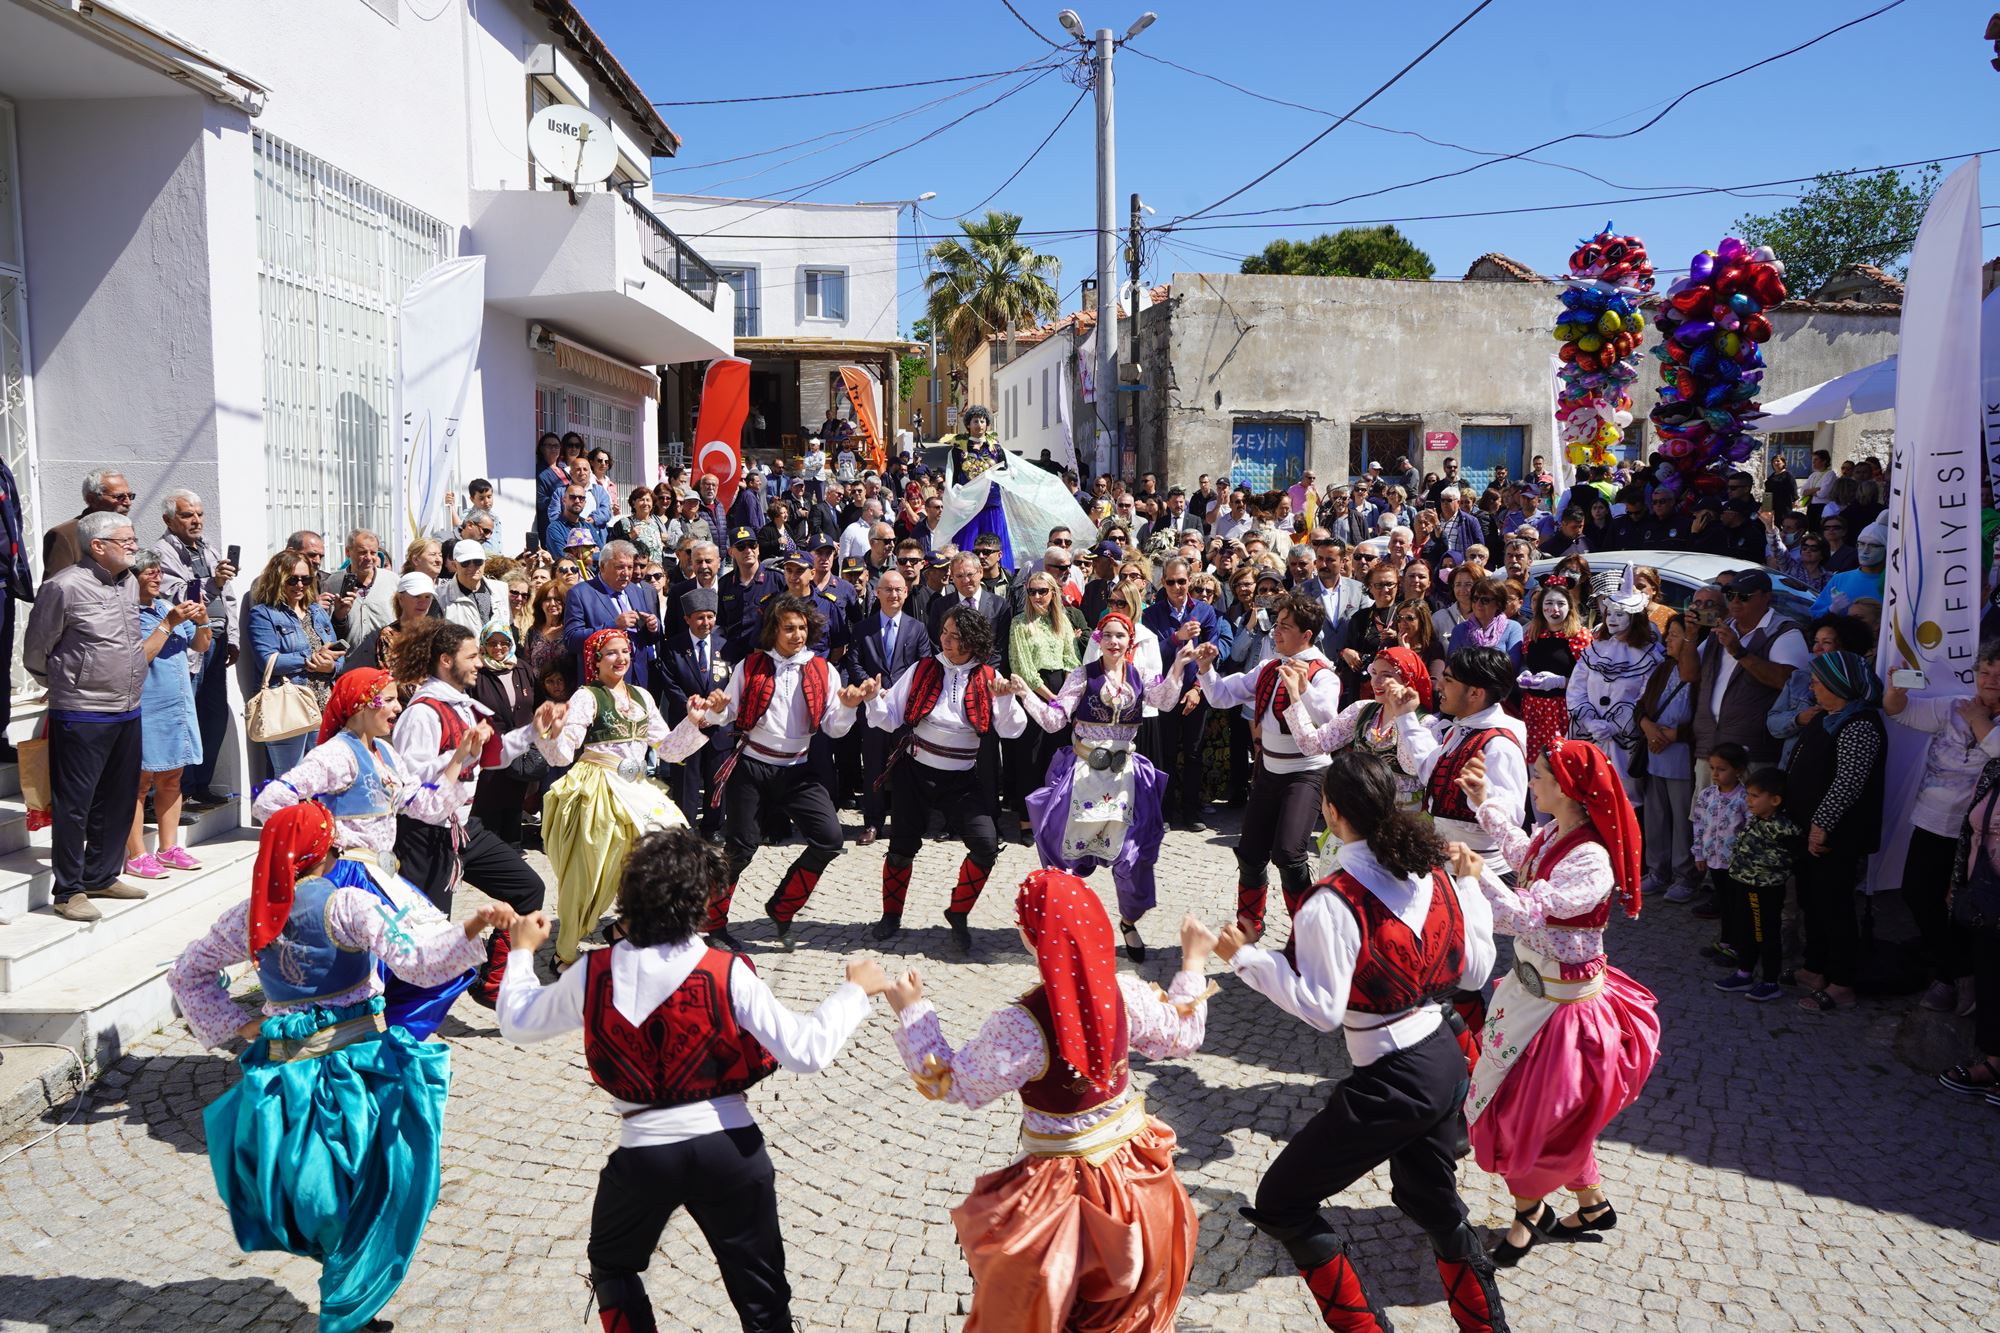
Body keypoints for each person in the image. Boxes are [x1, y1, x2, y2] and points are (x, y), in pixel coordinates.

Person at [167, 802, 505, 1333]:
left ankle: (349, 1300)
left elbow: (187, 973)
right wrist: (472, 927)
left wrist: (240, 1025)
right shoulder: (349, 904)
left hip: (285, 1080)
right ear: (325, 851)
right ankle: (349, 1307)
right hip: (358, 1071)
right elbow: (417, 959)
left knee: (322, 1195)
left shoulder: (249, 914)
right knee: (379, 1182)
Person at [1198, 752, 1507, 1333]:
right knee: (1433, 1202)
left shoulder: (1332, 902)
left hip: (1395, 1078)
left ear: (1331, 812)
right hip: (1442, 1057)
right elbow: (1472, 975)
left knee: (1282, 1202)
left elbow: (1320, 1010)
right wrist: (1469, 894)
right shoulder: (1433, 872)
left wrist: (1242, 957)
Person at [886, 870, 1214, 1333]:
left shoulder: (1022, 1025)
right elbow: (1183, 1033)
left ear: (1028, 937)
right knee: (1128, 1313)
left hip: (1061, 1195)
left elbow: (954, 1083)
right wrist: (1194, 961)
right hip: (1139, 1178)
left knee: (1040, 1310)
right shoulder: (1125, 992)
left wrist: (912, 1010)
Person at [1454, 740, 1660, 1268]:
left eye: (1540, 775)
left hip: (1564, 1013)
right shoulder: (1556, 833)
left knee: (1525, 1113)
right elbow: (1525, 856)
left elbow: (1527, 913)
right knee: (1544, 1114)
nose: (1532, 781)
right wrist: (1485, 803)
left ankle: (1528, 1214)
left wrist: (1479, 880)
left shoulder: (1592, 860)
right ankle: (1591, 1203)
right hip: (1530, 993)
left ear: (1567, 790)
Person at [253, 668, 496, 1038]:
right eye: (391, 699)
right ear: (362, 703)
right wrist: (323, 838)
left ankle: (388, 1038)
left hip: (381, 876)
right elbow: (272, 801)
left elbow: (426, 805)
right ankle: (356, 1042)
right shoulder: (336, 755)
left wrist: (461, 757)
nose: (398, 708)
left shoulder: (385, 752)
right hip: (345, 878)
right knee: (370, 972)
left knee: (436, 958)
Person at [684, 595, 875, 949]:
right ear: (773, 630)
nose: (798, 635)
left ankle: (783, 906)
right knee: (740, 848)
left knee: (830, 840)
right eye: (789, 628)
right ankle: (712, 924)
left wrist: (848, 707)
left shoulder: (823, 670)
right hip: (753, 766)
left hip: (799, 770)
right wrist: (716, 709)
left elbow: (834, 729)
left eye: (803, 628)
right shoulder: (751, 666)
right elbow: (725, 714)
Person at [389, 619, 557, 1005]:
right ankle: (404, 1018)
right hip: (424, 836)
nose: (479, 663)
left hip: (463, 828)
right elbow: (408, 783)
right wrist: (461, 752)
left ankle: (493, 983)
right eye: (473, 656)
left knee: (526, 887)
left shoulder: (461, 707)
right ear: (447, 660)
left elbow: (490, 756)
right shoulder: (423, 714)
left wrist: (534, 729)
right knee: (428, 934)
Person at [1016, 610, 1190, 961]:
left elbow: (1166, 701)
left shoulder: (1139, 675)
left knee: (1132, 856)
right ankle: (1061, 924)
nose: (1114, 641)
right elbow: (1053, 721)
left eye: (1120, 636)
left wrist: (1179, 666)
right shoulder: (1083, 676)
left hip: (1126, 777)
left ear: (1130, 642)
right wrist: (1024, 693)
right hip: (1083, 775)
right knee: (1066, 851)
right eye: (1107, 635)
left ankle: (1128, 921)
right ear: (1098, 640)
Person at [863, 606, 1028, 951]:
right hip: (914, 773)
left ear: (972, 640)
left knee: (985, 844)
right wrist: (871, 700)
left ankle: (958, 913)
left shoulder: (987, 677)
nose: (946, 641)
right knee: (901, 848)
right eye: (945, 633)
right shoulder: (922, 669)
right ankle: (890, 915)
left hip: (962, 779)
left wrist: (1007, 699)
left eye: (955, 636)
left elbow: (1011, 731)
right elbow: (889, 718)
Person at [534, 627, 692, 966]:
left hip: (637, 788)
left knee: (668, 847)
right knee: (592, 869)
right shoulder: (587, 697)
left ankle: (628, 925)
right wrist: (551, 730)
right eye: (611, 652)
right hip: (600, 787)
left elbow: (668, 749)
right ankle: (565, 953)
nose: (620, 658)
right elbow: (561, 756)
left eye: (625, 651)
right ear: (595, 660)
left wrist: (696, 723)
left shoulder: (641, 696)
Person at [25, 511, 151, 920]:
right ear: (98, 546)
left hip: (127, 708)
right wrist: (70, 682)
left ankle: (100, 875)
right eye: (125, 540)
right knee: (74, 804)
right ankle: (68, 891)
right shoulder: (62, 587)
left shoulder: (128, 582)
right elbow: (37, 651)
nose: (134, 545)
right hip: (82, 711)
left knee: (117, 798)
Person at [1194, 593, 1341, 938]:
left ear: (1306, 635)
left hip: (1306, 772)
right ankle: (1249, 923)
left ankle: (1309, 932)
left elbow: (1329, 719)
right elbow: (1221, 695)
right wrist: (1205, 668)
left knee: (1289, 855)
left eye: (1285, 627)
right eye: (1276, 625)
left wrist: (1302, 690)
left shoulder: (1324, 674)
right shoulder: (1268, 667)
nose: (1276, 632)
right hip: (1268, 769)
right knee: (1250, 852)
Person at [1883, 644, 2000, 1018]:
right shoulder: (1952, 704)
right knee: (1918, 895)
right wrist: (1895, 693)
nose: (1990, 681)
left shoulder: (1974, 712)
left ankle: (1958, 978)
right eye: (1984, 672)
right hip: (1933, 821)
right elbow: (1900, 713)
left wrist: (1980, 721)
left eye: (1999, 675)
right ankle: (1956, 972)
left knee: (1968, 909)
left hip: (1981, 834)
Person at [1785, 651, 1886, 1013]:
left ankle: (1842, 983)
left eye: (1819, 682)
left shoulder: (1860, 724)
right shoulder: (1827, 718)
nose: (1812, 686)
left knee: (1835, 906)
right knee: (1812, 900)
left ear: (1839, 686)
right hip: (1808, 829)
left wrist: (1820, 826)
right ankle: (1815, 968)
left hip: (1836, 835)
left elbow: (1848, 784)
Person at [1383, 647, 1528, 881]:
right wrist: (1405, 716)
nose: (1439, 685)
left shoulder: (1499, 744)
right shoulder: (1461, 730)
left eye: (1448, 680)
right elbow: (1430, 768)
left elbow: (1510, 820)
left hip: (1484, 875)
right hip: (1447, 867)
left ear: (1475, 694)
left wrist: (1483, 796)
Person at [124, 551, 210, 880]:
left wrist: (202, 621)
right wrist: (169, 624)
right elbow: (139, 658)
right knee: (138, 782)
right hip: (146, 707)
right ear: (132, 577)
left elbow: (200, 646)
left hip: (177, 705)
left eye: (159, 572)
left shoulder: (163, 606)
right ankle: (136, 854)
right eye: (149, 573)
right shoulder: (126, 614)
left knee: (172, 778)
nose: (157, 578)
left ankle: (168, 847)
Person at [151, 488, 239, 808]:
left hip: (216, 640)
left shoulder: (208, 549)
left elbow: (227, 596)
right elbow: (177, 596)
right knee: (187, 717)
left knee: (213, 716)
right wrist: (212, 583)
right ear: (169, 520)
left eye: (199, 514)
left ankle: (201, 783)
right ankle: (182, 789)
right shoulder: (161, 552)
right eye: (188, 515)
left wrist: (233, 639)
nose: (196, 520)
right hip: (188, 644)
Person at [1275, 648, 1432, 810]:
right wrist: (1295, 695)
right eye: (1374, 673)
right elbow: (1312, 745)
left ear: (1407, 680)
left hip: (1403, 820)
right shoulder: (1363, 710)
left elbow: (1412, 767)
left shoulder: (1426, 724)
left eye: (1387, 675)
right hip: (1360, 812)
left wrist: (1403, 715)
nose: (1376, 682)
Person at [1566, 586, 1664, 807]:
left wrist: (1617, 725)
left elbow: (1646, 697)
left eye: (1619, 614)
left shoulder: (1649, 655)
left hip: (1626, 743)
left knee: (1625, 798)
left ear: (1634, 617)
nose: (1612, 619)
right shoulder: (1595, 649)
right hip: (1589, 736)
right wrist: (1589, 720)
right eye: (1609, 613)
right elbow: (1576, 688)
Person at [1141, 556, 1219, 830]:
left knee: (1194, 753)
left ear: (1190, 581)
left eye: (1182, 581)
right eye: (1171, 582)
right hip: (1164, 694)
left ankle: (1191, 810)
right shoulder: (1151, 615)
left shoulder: (1205, 611)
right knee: (1166, 753)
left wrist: (1198, 688)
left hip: (1194, 692)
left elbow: (1213, 653)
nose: (1177, 587)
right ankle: (1165, 811)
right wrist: (1176, 638)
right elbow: (1149, 657)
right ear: (1163, 582)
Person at [1712, 767, 1801, 1002]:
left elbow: (1792, 858)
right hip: (1743, 883)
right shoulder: (1758, 820)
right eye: (1748, 794)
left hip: (1764, 890)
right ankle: (1745, 973)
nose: (1748, 800)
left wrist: (1768, 868)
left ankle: (1771, 981)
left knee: (1765, 933)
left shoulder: (1783, 828)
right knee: (1745, 930)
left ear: (1775, 800)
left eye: (1754, 796)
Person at [1634, 614, 1698, 902]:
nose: (1668, 639)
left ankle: (1685, 877)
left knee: (1683, 821)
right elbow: (1641, 706)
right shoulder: (1663, 669)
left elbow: (1704, 717)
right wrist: (1649, 728)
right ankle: (1657, 872)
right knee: (1656, 817)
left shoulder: (1699, 672)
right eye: (1669, 634)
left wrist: (1674, 735)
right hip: (1655, 754)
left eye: (1675, 634)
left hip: (1681, 758)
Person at [468, 617, 540, 847]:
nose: (498, 648)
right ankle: (488, 849)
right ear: (483, 645)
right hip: (490, 750)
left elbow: (535, 702)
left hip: (520, 749)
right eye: (492, 643)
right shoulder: (477, 673)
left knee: (515, 800)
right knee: (489, 802)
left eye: (504, 643)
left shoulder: (522, 668)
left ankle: (513, 849)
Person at [565, 540, 665, 697]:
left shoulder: (636, 591)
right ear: (603, 566)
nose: (626, 573)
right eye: (620, 567)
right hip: (603, 687)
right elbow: (571, 640)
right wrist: (613, 626)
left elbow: (648, 638)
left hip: (638, 682)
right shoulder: (580, 593)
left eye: (630, 567)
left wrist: (653, 627)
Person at [1512, 577, 1591, 760]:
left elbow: (1591, 680)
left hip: (1563, 710)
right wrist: (1524, 673)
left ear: (1570, 607)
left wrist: (1561, 682)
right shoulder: (1533, 633)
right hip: (1533, 710)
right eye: (1549, 603)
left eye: (1561, 604)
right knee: (1533, 762)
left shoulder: (1580, 636)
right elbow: (1526, 661)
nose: (1554, 609)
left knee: (1560, 763)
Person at [42, 468, 135, 577]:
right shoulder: (64, 535)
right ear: (92, 499)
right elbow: (56, 588)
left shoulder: (126, 528)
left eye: (130, 496)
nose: (128, 503)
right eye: (120, 497)